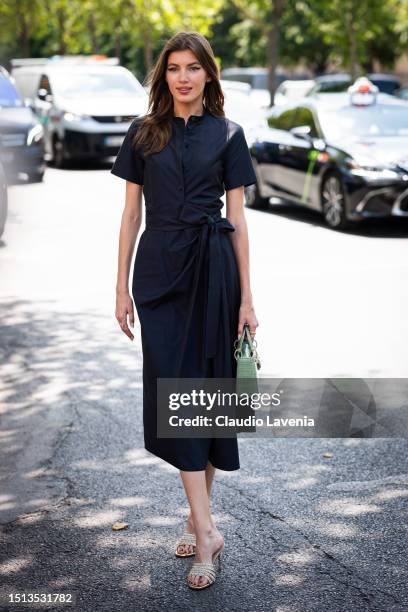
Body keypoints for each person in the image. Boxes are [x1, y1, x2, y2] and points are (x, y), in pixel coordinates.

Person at [111, 31, 259, 590]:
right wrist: (120, 287)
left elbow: (239, 221)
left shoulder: (229, 134)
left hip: (214, 271)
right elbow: (129, 217)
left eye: (193, 67)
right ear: (162, 76)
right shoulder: (143, 134)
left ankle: (202, 527)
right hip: (158, 277)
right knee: (176, 395)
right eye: (173, 67)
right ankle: (207, 530)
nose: (183, 77)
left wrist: (247, 297)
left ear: (208, 75)